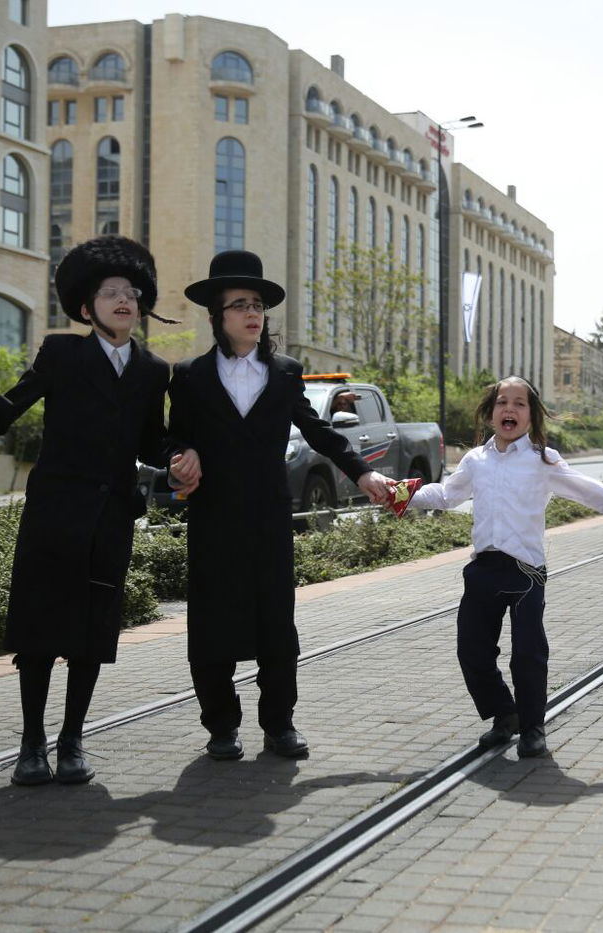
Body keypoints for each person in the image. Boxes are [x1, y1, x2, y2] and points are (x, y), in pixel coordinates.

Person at [0, 236, 181, 785]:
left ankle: (72, 742)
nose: (123, 300)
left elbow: (151, 442)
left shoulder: (152, 370)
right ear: (86, 309)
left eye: (132, 294)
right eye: (110, 293)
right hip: (53, 516)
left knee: (92, 634)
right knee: (41, 633)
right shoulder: (61, 353)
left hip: (111, 517)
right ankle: (31, 743)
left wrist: (179, 457)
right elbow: (4, 408)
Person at [167, 250, 395, 762]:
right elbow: (173, 439)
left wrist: (363, 471)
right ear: (216, 315)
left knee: (276, 624)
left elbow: (318, 432)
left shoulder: (287, 373)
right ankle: (221, 727)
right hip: (213, 518)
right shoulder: (189, 376)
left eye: (258, 305)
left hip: (270, 518)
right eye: (240, 304)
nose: (253, 313)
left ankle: (279, 725)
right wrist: (182, 455)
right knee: (210, 625)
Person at [400, 376, 603, 758]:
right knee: (472, 651)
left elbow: (588, 489)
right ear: (490, 413)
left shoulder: (543, 461)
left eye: (520, 404)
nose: (510, 409)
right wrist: (398, 494)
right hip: (483, 569)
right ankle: (505, 715)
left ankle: (533, 728)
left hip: (526, 573)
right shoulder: (475, 461)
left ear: (532, 416)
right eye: (502, 402)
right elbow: (446, 495)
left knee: (528, 654)